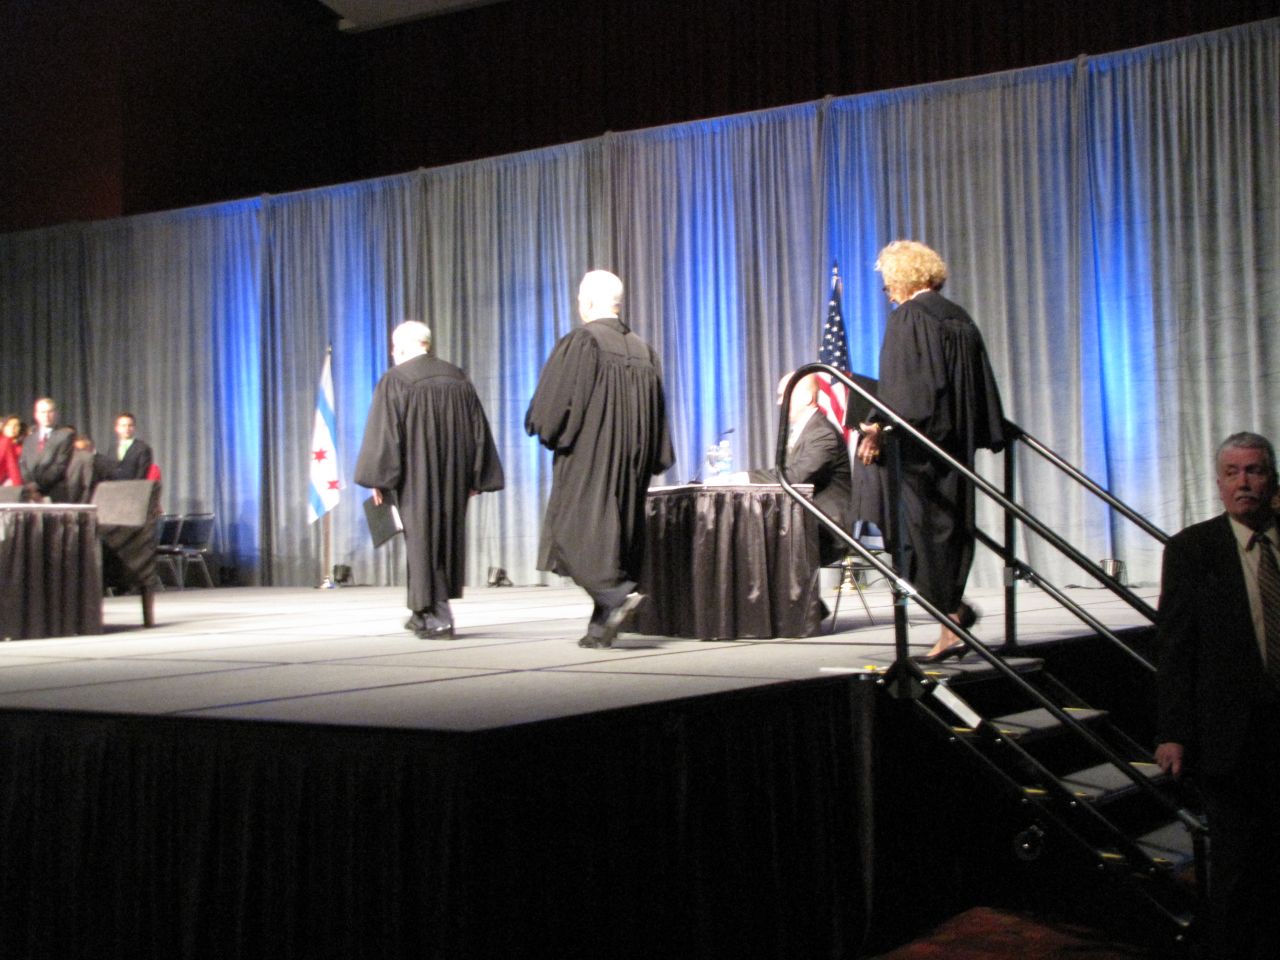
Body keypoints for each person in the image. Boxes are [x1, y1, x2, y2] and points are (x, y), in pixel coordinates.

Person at [1154, 432, 1280, 960]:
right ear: (1219, 482)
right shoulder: (1192, 550)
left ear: (1272, 479)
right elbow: (1176, 649)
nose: (1244, 483)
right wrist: (1173, 733)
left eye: (1254, 471)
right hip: (1230, 737)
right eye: (1233, 472)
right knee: (1235, 866)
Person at [851, 241, 1005, 661]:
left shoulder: (911, 317)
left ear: (901, 278)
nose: (887, 292)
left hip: (920, 451)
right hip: (955, 446)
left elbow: (910, 392)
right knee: (951, 531)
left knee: (919, 536)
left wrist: (878, 428)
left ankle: (950, 622)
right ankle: (951, 614)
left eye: (887, 284)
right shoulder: (956, 316)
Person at [525, 269, 674, 648]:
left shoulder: (583, 342)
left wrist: (546, 429)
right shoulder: (643, 349)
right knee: (615, 543)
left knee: (572, 537)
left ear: (586, 302)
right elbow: (659, 413)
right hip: (632, 465)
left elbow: (553, 409)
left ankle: (617, 595)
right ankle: (600, 627)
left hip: (589, 460)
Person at [355, 321, 505, 640]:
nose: (393, 355)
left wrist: (378, 478)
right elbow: (478, 429)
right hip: (454, 474)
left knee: (423, 539)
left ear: (404, 348)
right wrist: (477, 475)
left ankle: (438, 614)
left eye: (394, 349)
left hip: (415, 474)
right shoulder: (457, 376)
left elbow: (386, 433)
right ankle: (420, 610)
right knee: (443, 538)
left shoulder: (396, 379)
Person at [736, 372, 852, 566]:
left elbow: (793, 476)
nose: (779, 403)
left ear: (807, 398)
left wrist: (744, 478)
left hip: (827, 528)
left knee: (755, 540)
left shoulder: (822, 433)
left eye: (784, 395)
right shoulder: (807, 430)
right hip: (802, 521)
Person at [19, 396, 75, 502]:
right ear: (36, 415)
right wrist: (30, 486)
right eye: (43, 412)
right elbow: (23, 464)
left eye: (50, 412)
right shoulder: (29, 439)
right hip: (30, 495)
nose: (46, 416)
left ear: (55, 414)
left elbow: (60, 466)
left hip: (54, 493)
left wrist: (37, 486)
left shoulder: (64, 436)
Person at [106, 412, 154, 481]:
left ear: (134, 428)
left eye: (130, 425)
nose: (127, 428)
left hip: (133, 489)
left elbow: (142, 474)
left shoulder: (142, 448)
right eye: (123, 426)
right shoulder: (112, 449)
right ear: (117, 428)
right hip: (114, 489)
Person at [0, 414, 24, 487]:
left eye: (16, 425)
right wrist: (18, 487)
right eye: (9, 425)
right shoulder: (5, 442)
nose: (13, 428)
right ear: (3, 427)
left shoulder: (21, 446)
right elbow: (12, 466)